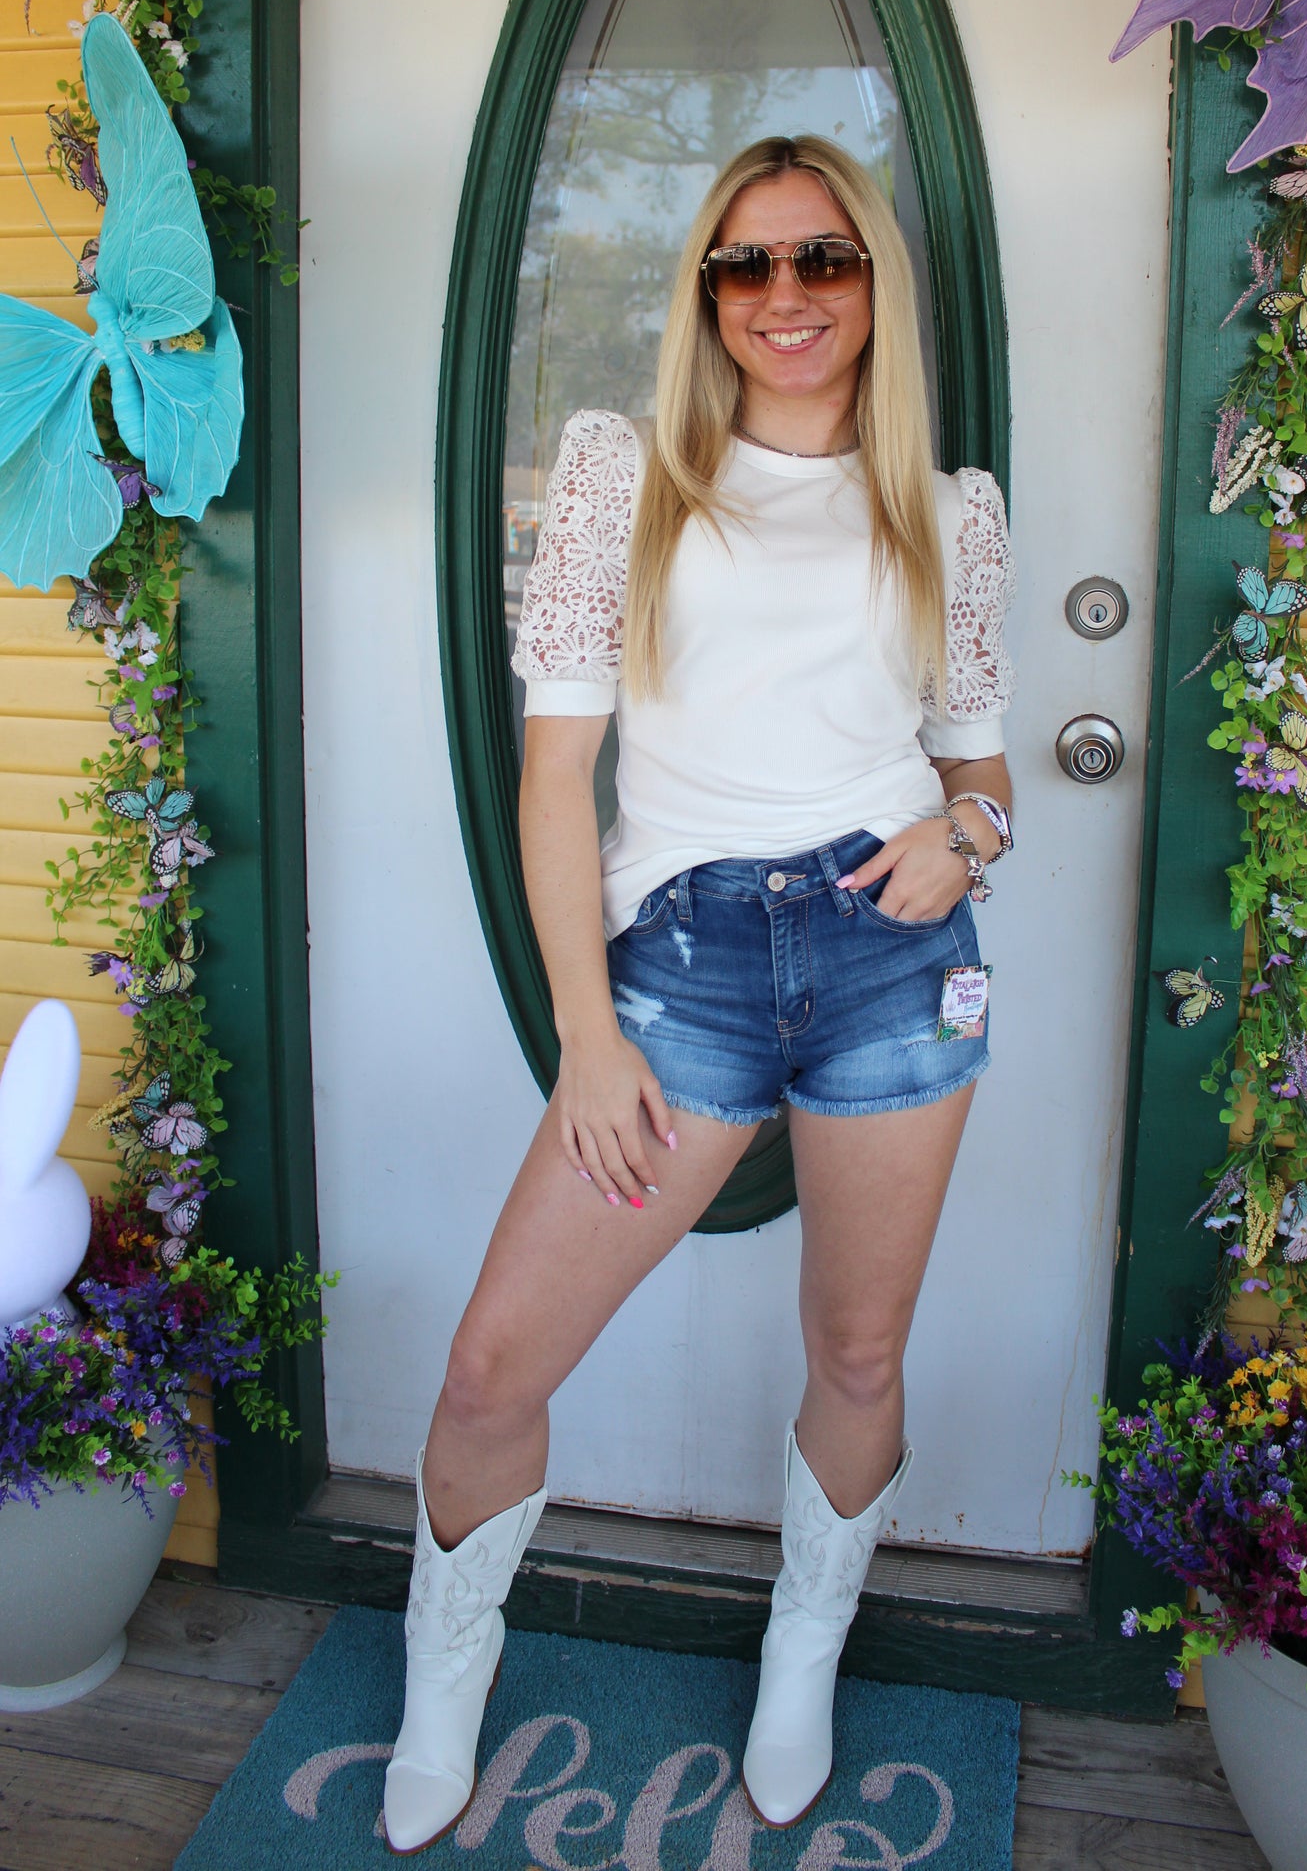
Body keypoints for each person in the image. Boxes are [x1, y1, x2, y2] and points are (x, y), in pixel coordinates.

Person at [382, 135, 1016, 1854]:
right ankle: (449, 1672)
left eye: (821, 259)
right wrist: (585, 1034)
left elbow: (984, 776)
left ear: (871, 282)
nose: (785, 297)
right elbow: (551, 782)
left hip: (894, 956)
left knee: (857, 1341)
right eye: (746, 266)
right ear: (705, 296)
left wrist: (967, 836)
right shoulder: (621, 475)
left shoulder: (946, 512)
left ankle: (800, 1654)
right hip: (687, 965)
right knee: (493, 1367)